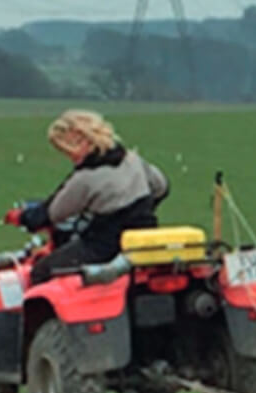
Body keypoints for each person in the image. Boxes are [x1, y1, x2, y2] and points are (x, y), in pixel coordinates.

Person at [11, 109, 170, 284]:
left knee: (43, 270)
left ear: (81, 143)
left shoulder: (85, 178)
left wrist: (23, 217)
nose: (70, 157)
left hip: (105, 247)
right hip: (143, 242)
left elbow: (53, 212)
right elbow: (161, 187)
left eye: (68, 150)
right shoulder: (132, 159)